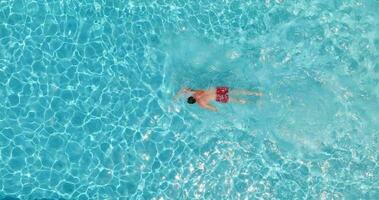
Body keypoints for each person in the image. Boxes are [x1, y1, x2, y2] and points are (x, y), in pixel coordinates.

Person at [174, 86, 263, 111]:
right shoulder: (195, 92)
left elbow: (214, 109)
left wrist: (215, 110)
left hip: (219, 97)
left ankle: (254, 103)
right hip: (218, 89)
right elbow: (184, 88)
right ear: (191, 96)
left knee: (238, 100)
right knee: (238, 91)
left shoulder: (201, 103)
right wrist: (176, 97)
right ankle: (257, 93)